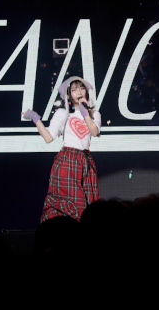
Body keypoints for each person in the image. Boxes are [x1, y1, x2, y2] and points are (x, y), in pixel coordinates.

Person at [22, 76, 101, 222]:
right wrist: (35, 118)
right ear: (69, 95)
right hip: (67, 160)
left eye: (81, 88)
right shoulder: (63, 113)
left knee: (88, 204)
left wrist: (85, 113)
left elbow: (94, 132)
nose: (79, 92)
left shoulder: (94, 114)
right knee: (70, 203)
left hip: (85, 161)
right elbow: (48, 137)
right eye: (74, 89)